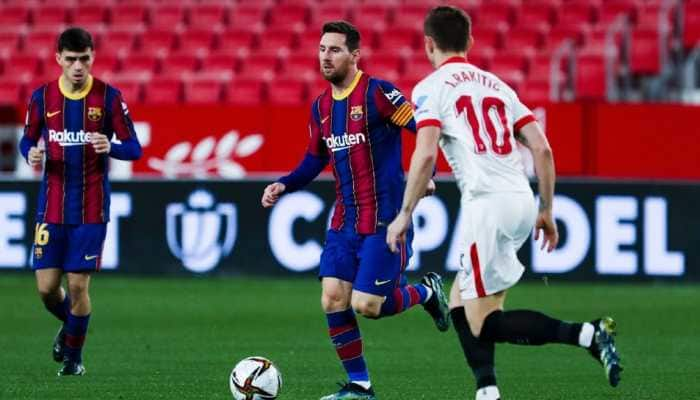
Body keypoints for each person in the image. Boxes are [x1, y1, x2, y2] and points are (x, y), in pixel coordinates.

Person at [386, 7, 622, 400]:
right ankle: (487, 390)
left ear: (428, 44)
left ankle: (588, 334)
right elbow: (542, 150)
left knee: (483, 321)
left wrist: (404, 214)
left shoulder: (430, 88)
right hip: (521, 200)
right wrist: (546, 209)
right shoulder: (497, 85)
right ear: (471, 42)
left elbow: (425, 154)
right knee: (462, 297)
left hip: (487, 207)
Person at [261, 21, 450, 400]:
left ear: (354, 55)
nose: (325, 57)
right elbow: (314, 159)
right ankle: (360, 386)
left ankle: (426, 293)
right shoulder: (321, 107)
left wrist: (427, 172)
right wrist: (285, 184)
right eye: (321, 49)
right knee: (332, 297)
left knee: (369, 306)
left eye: (334, 50)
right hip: (345, 220)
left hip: (385, 221)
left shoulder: (379, 94)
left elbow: (424, 128)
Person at [19, 27, 142, 376]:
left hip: (91, 209)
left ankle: (73, 360)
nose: (77, 67)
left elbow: (134, 147)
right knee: (46, 290)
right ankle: (74, 327)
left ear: (92, 58)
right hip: (51, 207)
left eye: (84, 59)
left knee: (77, 285)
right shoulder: (42, 98)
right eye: (70, 59)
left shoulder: (108, 98)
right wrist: (32, 154)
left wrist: (112, 147)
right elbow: (27, 141)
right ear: (58, 58)